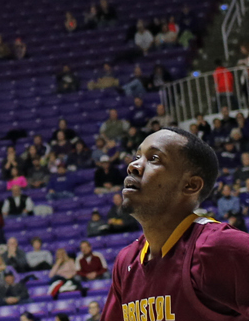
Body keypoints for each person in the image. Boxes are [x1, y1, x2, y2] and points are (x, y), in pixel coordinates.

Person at [104, 127, 249, 320]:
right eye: (137, 157)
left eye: (154, 158)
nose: (134, 166)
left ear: (191, 185)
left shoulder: (220, 246)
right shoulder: (126, 261)